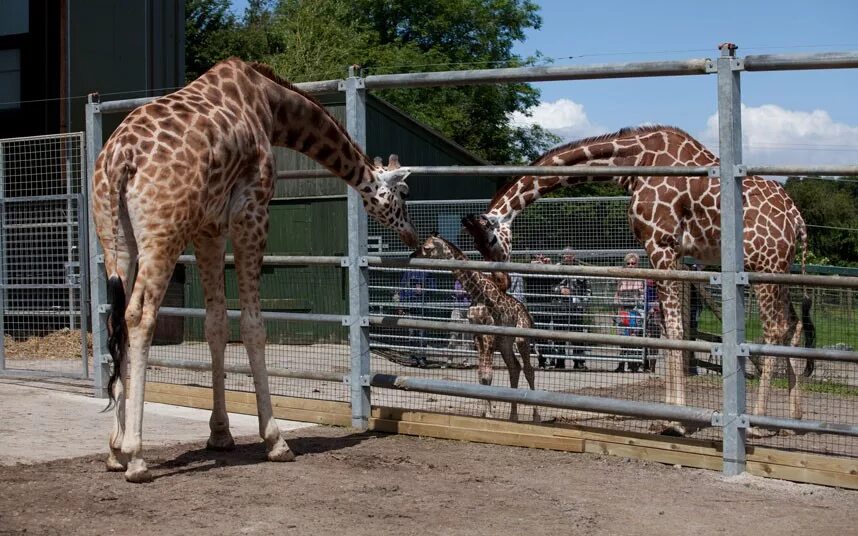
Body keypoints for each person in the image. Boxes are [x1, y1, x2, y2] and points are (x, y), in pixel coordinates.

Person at [551, 248, 591, 370]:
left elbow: (588, 288)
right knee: (559, 335)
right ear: (562, 256)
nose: (568, 256)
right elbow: (550, 285)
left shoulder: (581, 268)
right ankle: (559, 361)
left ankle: (579, 362)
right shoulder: (556, 268)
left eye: (570, 254)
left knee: (577, 336)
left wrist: (583, 304)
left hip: (576, 307)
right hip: (560, 306)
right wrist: (560, 290)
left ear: (574, 256)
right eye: (565, 254)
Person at [395, 268, 436, 367]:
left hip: (423, 308)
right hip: (410, 307)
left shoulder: (427, 271)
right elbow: (402, 287)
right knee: (412, 333)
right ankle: (413, 357)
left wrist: (424, 289)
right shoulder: (408, 272)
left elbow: (434, 287)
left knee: (422, 335)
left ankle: (422, 358)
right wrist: (401, 305)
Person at [613, 252, 646, 373]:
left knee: (634, 336)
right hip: (624, 309)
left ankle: (634, 364)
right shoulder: (621, 277)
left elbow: (643, 295)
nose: (631, 265)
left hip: (636, 310)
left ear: (637, 264)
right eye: (628, 263)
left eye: (633, 263)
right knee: (623, 337)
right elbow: (617, 293)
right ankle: (621, 364)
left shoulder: (642, 277)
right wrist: (617, 309)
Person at [526, 253, 554, 368]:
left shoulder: (547, 268)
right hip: (534, 305)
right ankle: (541, 359)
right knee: (535, 334)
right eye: (538, 257)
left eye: (542, 257)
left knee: (545, 333)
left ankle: (546, 359)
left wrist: (550, 266)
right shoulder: (530, 268)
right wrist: (531, 266)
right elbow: (525, 276)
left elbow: (555, 280)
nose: (540, 259)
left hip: (546, 305)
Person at [447, 278, 472, 366]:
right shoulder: (458, 280)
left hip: (469, 309)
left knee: (467, 337)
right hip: (458, 308)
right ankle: (449, 359)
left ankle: (466, 360)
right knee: (454, 334)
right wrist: (467, 291)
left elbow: (473, 293)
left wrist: (465, 291)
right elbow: (458, 293)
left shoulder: (472, 280)